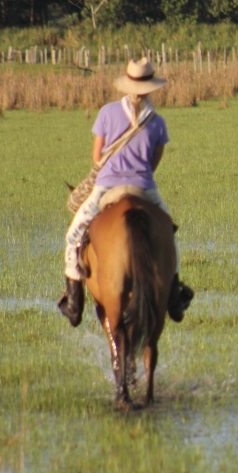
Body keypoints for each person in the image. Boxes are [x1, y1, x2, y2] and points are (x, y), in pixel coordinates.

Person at [58, 58, 194, 327]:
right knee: (168, 232)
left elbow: (97, 156)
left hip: (106, 187)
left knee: (73, 234)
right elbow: (154, 163)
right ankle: (175, 297)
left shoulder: (107, 112)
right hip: (144, 187)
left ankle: (74, 304)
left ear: (127, 83)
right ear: (151, 87)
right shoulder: (157, 122)